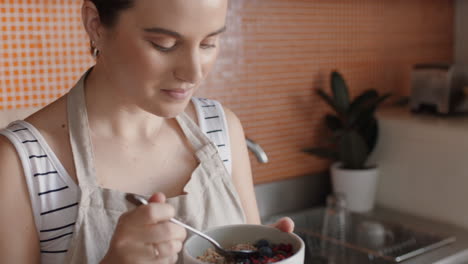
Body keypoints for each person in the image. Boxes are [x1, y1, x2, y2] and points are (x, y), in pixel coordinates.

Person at [0, 0, 294, 263]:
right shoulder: (21, 163)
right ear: (95, 23)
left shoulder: (222, 129)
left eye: (208, 43)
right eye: (164, 44)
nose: (193, 73)